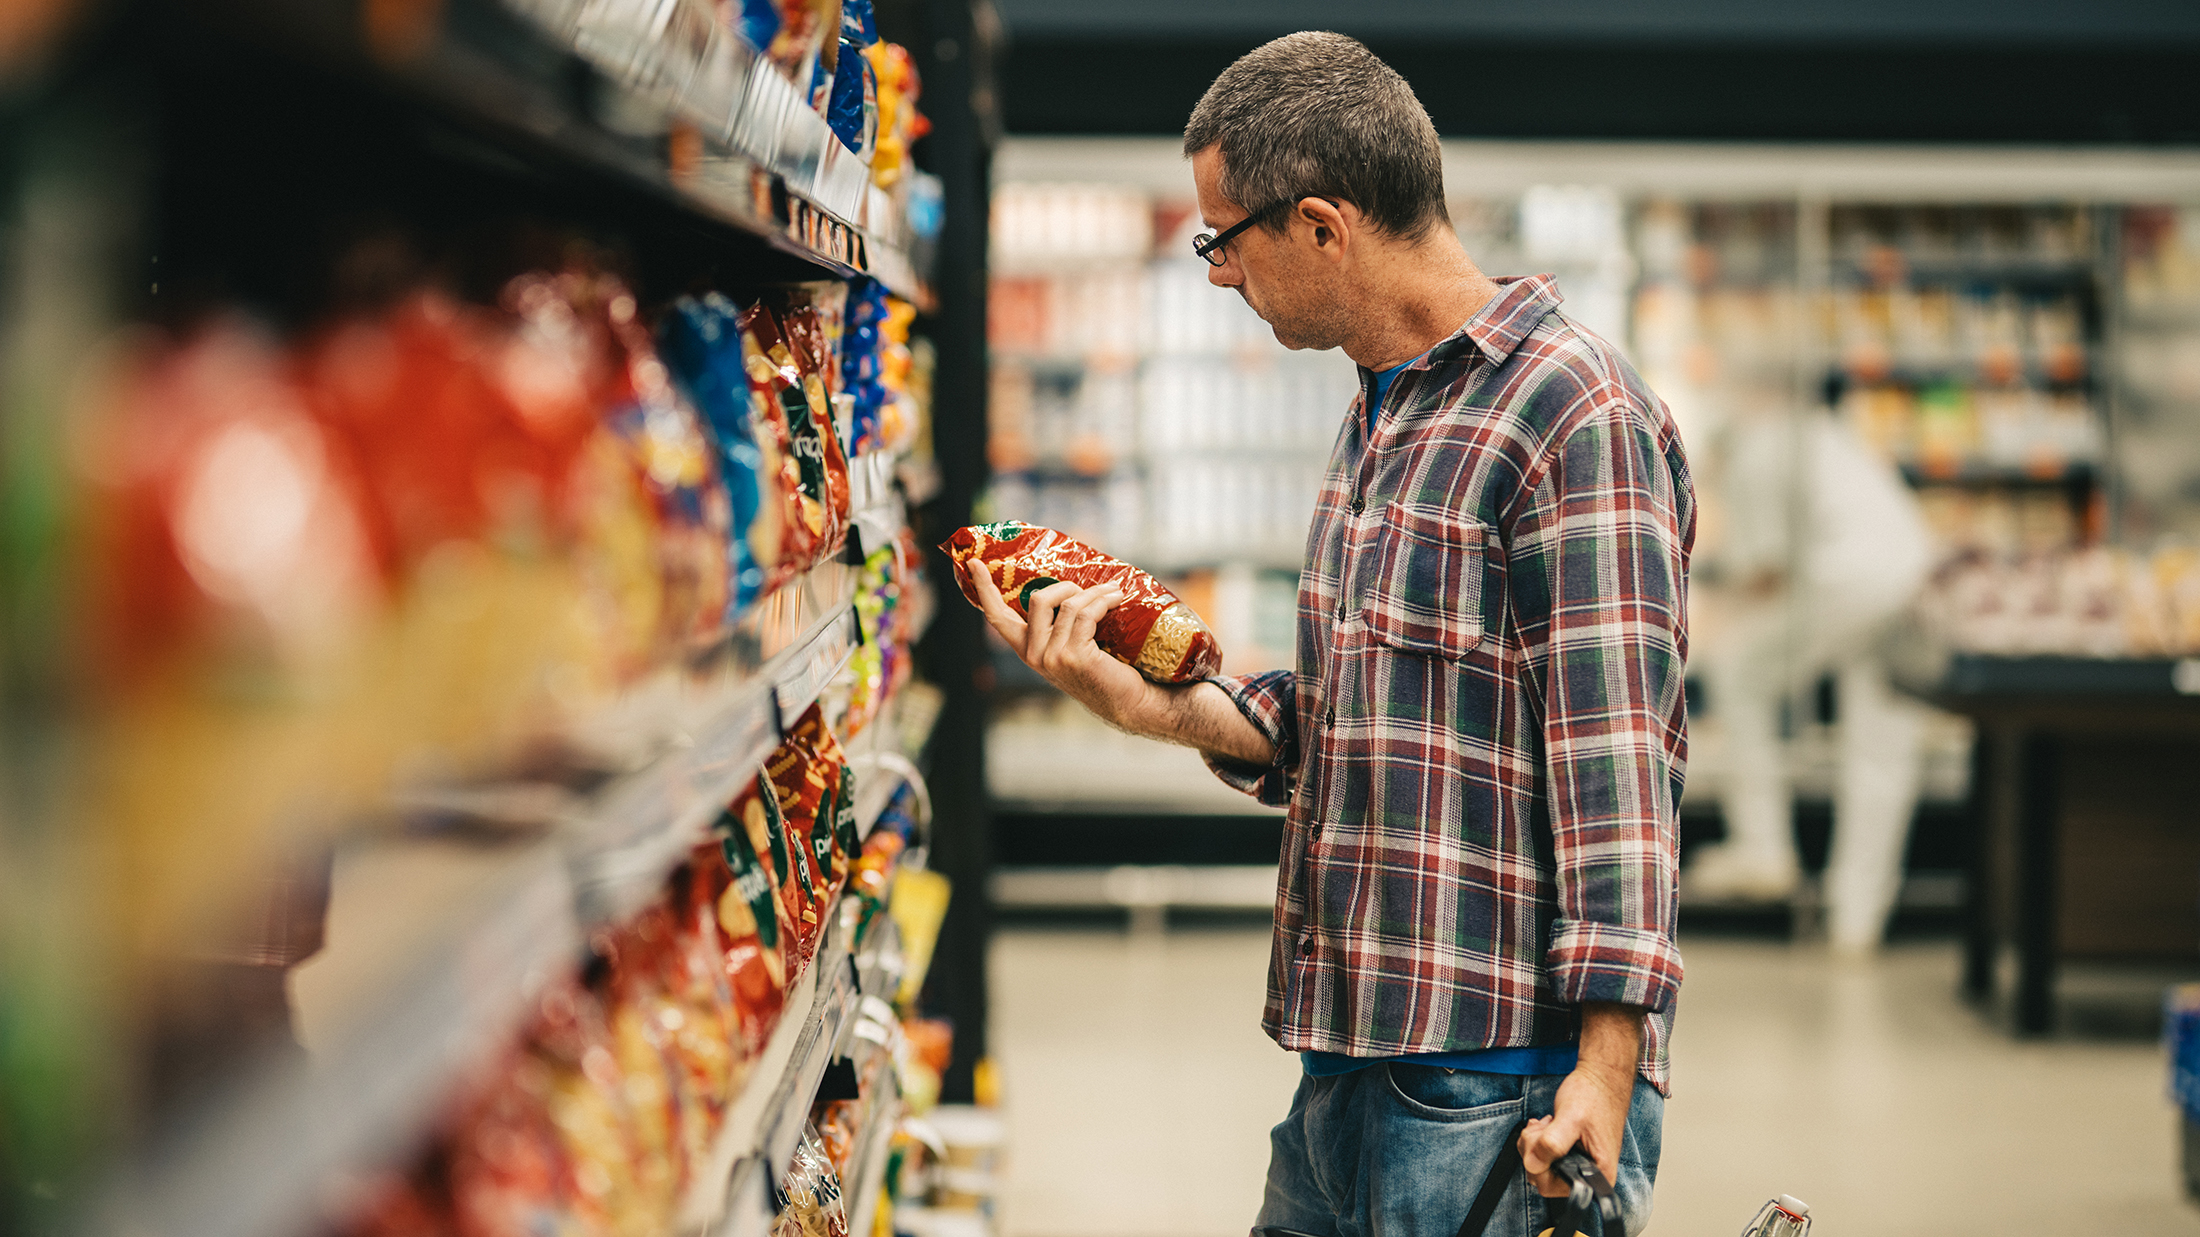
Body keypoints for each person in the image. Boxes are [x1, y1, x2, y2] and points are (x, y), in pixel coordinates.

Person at [958, 33, 1691, 1237]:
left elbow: (1620, 774)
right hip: (1348, 1053)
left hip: (1496, 1076)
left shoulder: (1572, 413)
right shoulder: (1385, 411)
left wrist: (1606, 1073)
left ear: (1317, 225)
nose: (1213, 275)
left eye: (1219, 239)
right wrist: (1143, 701)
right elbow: (1344, 725)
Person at [1684, 408, 1936, 953]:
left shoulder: (1749, 459)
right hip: (1911, 570)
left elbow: (1766, 574)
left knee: (1739, 671)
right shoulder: (1810, 430)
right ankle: (1856, 923)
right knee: (1881, 752)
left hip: (1848, 575)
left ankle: (1764, 847)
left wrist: (1702, 602)